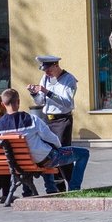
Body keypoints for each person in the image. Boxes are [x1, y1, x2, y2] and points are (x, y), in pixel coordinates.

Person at [0, 88, 89, 195]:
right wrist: (58, 147)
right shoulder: (32, 119)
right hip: (45, 159)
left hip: (20, 163)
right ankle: (74, 188)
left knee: (43, 151)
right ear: (18, 102)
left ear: (3, 105)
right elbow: (52, 138)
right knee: (83, 153)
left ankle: (34, 191)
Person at [27, 55, 77, 190]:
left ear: (56, 65)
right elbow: (40, 102)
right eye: (44, 71)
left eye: (48, 70)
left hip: (62, 120)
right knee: (51, 153)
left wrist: (47, 92)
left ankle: (73, 185)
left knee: (62, 152)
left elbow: (67, 103)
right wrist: (34, 94)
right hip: (48, 119)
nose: (46, 73)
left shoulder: (69, 79)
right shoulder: (46, 78)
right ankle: (58, 187)